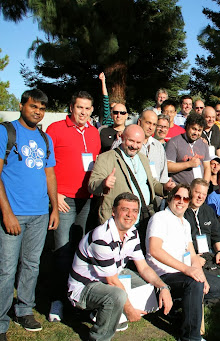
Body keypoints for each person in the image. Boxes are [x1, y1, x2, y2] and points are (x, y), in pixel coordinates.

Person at [68, 193, 172, 340]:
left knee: (146, 285)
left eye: (135, 211)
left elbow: (143, 267)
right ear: (113, 211)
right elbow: (112, 281)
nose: (130, 214)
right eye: (125, 209)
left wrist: (163, 287)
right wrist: (130, 310)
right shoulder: (102, 238)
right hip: (84, 287)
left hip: (111, 275)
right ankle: (99, 336)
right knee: (117, 295)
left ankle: (103, 314)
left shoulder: (132, 232)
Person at [0, 89, 59, 339]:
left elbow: (50, 174)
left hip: (39, 214)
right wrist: (7, 213)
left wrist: (54, 207)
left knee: (31, 265)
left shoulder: (46, 139)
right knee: (6, 269)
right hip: (13, 213)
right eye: (34, 106)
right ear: (22, 105)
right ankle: (0, 321)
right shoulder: (6, 131)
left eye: (42, 108)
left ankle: (24, 309)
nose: (38, 111)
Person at [45, 91, 101, 322]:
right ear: (71, 107)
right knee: (62, 250)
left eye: (88, 109)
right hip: (64, 199)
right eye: (80, 108)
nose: (84, 113)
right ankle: (57, 299)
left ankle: (77, 297)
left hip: (86, 199)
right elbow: (45, 166)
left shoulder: (94, 132)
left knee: (81, 250)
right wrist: (54, 194)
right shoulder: (55, 129)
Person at [146, 185, 216, 340]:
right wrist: (187, 270)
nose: (181, 201)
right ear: (170, 198)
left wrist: (201, 276)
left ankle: (181, 310)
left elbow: (192, 256)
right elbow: (154, 250)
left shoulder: (185, 223)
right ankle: (190, 337)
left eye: (185, 198)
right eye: (178, 197)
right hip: (161, 275)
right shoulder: (160, 218)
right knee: (194, 283)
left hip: (180, 273)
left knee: (217, 286)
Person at [88, 125, 174, 228]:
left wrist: (164, 187)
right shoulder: (106, 158)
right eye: (131, 141)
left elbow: (151, 182)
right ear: (123, 138)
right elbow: (92, 185)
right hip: (119, 222)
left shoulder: (143, 159)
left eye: (138, 143)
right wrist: (103, 183)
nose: (134, 146)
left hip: (143, 218)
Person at [184, 179, 220, 287]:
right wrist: (194, 257)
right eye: (197, 192)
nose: (200, 197)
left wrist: (219, 252)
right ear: (190, 191)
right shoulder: (182, 211)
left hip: (209, 251)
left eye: (204, 194)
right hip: (191, 253)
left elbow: (217, 234)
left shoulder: (208, 211)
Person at [166, 113, 211, 185]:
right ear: (187, 126)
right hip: (180, 189)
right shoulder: (174, 142)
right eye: (194, 129)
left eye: (199, 130)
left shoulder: (204, 144)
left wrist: (204, 186)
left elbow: (207, 168)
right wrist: (189, 164)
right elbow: (168, 167)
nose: (196, 133)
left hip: (199, 190)